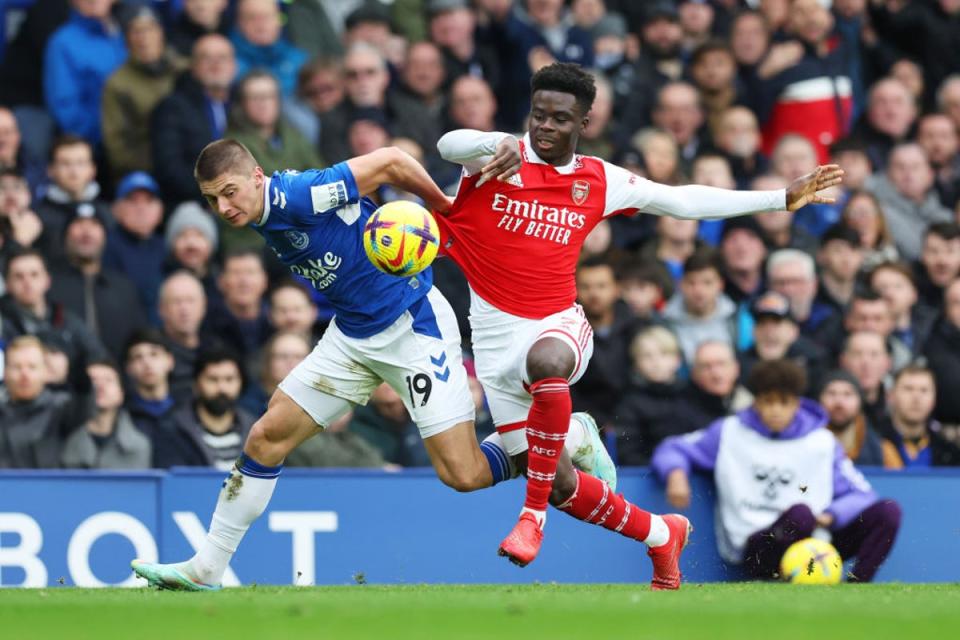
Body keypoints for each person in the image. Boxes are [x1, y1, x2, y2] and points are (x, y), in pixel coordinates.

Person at [132, 138, 612, 590]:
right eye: (213, 200)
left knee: (463, 474)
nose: (224, 208)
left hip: (411, 326)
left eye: (229, 193)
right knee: (265, 437)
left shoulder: (299, 194)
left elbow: (391, 162)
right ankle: (206, 568)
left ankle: (571, 434)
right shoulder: (261, 211)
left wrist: (443, 206)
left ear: (257, 176)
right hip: (352, 333)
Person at [436, 62, 842, 580]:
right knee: (561, 485)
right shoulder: (494, 157)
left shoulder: (600, 179)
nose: (546, 127)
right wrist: (493, 141)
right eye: (538, 116)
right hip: (494, 348)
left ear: (584, 124)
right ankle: (660, 534)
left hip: (557, 326)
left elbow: (682, 201)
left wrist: (778, 198)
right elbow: (448, 143)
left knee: (546, 364)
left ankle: (530, 518)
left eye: (561, 119)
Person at [652, 359, 901, 583]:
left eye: (784, 402)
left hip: (816, 541)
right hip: (757, 546)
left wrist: (831, 516)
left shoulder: (822, 441)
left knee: (888, 511)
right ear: (756, 401)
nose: (775, 410)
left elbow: (863, 494)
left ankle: (858, 585)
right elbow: (673, 448)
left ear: (796, 403)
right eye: (767, 401)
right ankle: (776, 576)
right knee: (800, 515)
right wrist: (675, 474)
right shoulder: (729, 432)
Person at [101, 6, 187, 183]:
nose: (144, 38)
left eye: (149, 29)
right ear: (127, 39)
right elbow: (118, 147)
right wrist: (163, 166)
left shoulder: (184, 70)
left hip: (191, 162)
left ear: (161, 32)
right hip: (148, 171)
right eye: (136, 31)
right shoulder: (118, 83)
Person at [152, 347, 256, 469]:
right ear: (196, 384)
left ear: (241, 383)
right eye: (212, 379)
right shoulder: (172, 430)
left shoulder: (255, 429)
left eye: (229, 379)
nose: (221, 387)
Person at [613, 326, 691, 465]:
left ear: (678, 360)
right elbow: (628, 453)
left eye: (664, 354)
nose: (656, 362)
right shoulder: (629, 403)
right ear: (636, 364)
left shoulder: (692, 395)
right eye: (647, 356)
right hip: (650, 476)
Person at [61, 361, 152, 470]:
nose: (100, 386)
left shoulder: (139, 445)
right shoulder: (62, 439)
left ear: (121, 394)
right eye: (93, 380)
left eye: (108, 380)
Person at [0, 336, 75, 468]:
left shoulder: (63, 408)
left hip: (50, 487)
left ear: (45, 372)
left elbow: (85, 405)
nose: (24, 374)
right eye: (17, 367)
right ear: (5, 373)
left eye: (32, 367)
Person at [103, 172, 166, 322]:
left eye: (149, 201)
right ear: (116, 209)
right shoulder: (106, 247)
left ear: (160, 210)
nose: (141, 208)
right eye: (132, 201)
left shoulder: (165, 247)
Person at [663, 248, 738, 365]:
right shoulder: (663, 323)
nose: (698, 291)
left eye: (707, 282)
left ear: (720, 285)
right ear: (680, 284)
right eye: (691, 283)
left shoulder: (738, 319)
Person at [879, 365, 960, 469]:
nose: (916, 397)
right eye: (908, 389)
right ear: (891, 396)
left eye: (924, 390)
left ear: (934, 399)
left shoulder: (949, 451)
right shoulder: (872, 443)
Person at [819, 370, 885, 466]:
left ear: (860, 402)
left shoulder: (882, 450)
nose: (839, 402)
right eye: (831, 393)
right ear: (820, 400)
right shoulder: (804, 445)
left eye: (847, 394)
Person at [123, 328, 177, 441]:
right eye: (138, 357)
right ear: (129, 368)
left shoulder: (189, 408)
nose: (147, 363)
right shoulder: (122, 416)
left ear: (170, 361)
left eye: (154, 354)